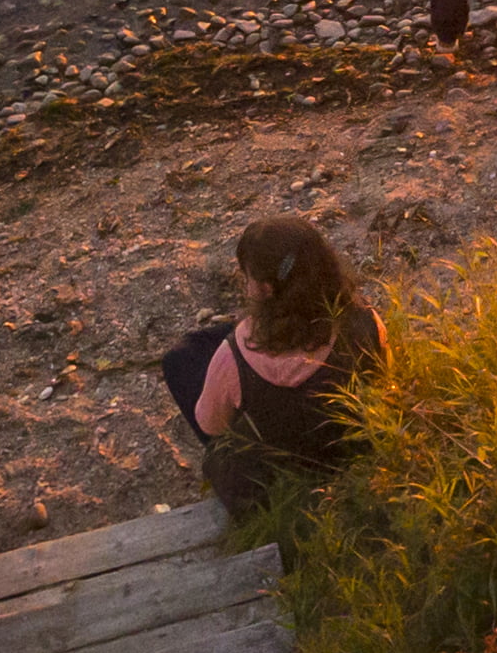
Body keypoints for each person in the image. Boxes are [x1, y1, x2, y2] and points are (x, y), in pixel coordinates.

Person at [162, 216, 388, 518]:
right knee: (205, 343)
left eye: (247, 278)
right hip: (344, 457)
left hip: (270, 489)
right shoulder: (368, 324)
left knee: (179, 359)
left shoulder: (234, 353)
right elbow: (381, 384)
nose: (245, 285)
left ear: (267, 289)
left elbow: (211, 425)